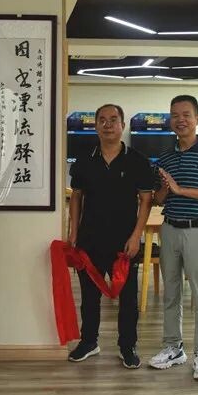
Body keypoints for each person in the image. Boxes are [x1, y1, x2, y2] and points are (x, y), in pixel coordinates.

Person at [67, 104, 153, 368]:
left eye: (113, 120)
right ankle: (88, 342)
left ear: (122, 125)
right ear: (95, 126)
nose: (107, 125)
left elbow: (146, 200)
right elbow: (76, 197)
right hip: (90, 239)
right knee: (89, 296)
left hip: (124, 243)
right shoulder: (84, 159)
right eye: (102, 120)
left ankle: (127, 346)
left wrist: (136, 236)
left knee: (128, 299)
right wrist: (73, 231)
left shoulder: (137, 160)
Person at [149, 94, 198, 380]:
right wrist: (164, 188)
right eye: (174, 115)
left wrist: (181, 190)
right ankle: (173, 348)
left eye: (186, 115)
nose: (180, 120)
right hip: (170, 230)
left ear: (197, 119)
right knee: (170, 294)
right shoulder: (165, 157)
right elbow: (159, 199)